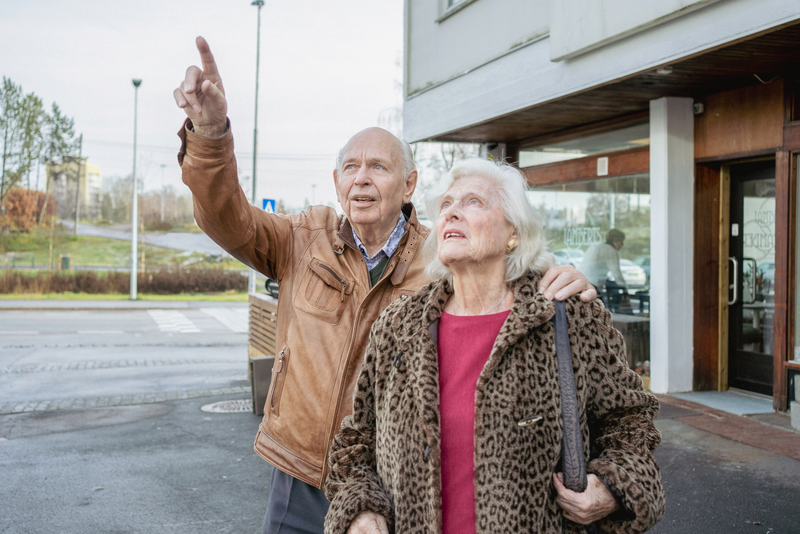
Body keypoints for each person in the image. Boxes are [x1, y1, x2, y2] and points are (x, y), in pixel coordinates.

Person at [173, 37, 599, 534]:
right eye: (351, 167)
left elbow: (508, 268)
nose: (362, 179)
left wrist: (563, 277)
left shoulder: (443, 254)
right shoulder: (300, 239)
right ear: (335, 181)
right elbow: (224, 217)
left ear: (410, 184)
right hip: (301, 475)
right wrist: (209, 133)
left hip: (398, 483)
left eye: (378, 166)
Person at [324, 158, 664, 534]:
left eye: (473, 202)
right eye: (446, 205)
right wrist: (360, 511)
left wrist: (612, 487)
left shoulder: (566, 317)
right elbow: (356, 443)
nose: (452, 213)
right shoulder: (399, 327)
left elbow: (630, 424)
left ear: (513, 232)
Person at [579, 229, 628, 312]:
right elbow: (616, 273)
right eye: (621, 241)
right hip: (593, 284)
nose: (622, 245)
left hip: (582, 281)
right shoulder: (610, 250)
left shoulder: (596, 246)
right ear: (615, 240)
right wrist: (625, 289)